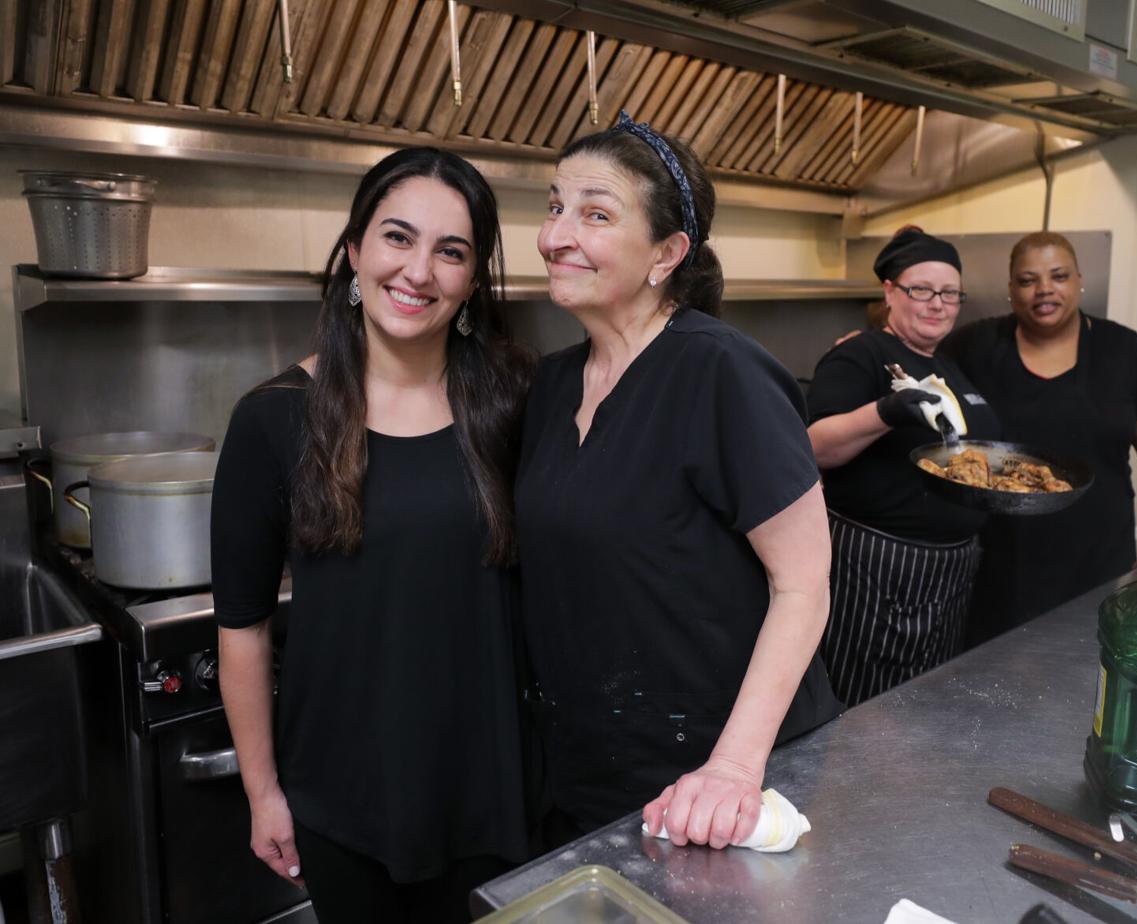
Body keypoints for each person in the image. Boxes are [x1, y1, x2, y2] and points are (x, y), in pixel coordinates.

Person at [212, 147, 534, 922]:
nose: (419, 271)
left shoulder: (515, 402)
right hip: (344, 805)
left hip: (498, 792)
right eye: (398, 237)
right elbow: (243, 629)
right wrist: (264, 794)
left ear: (472, 280)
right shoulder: (273, 418)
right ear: (354, 250)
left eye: (450, 252)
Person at [515, 112, 841, 850]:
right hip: (597, 769)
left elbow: (804, 584)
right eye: (555, 206)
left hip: (723, 781)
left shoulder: (721, 372)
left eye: (595, 213)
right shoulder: (553, 384)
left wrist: (732, 767)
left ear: (667, 252)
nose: (557, 234)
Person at [941, 230, 1137, 639]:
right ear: (1010, 288)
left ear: (1079, 280)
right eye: (1028, 280)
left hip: (1097, 562)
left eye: (1058, 276)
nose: (1044, 290)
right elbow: (919, 377)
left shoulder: (1122, 350)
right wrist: (876, 348)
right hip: (994, 565)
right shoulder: (976, 344)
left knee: (1085, 669)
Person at [805, 229, 1001, 707]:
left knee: (919, 705)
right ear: (890, 292)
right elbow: (811, 447)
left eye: (949, 293)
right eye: (921, 290)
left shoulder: (949, 369)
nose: (937, 303)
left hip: (949, 572)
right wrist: (886, 411)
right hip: (879, 567)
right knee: (862, 706)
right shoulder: (862, 354)